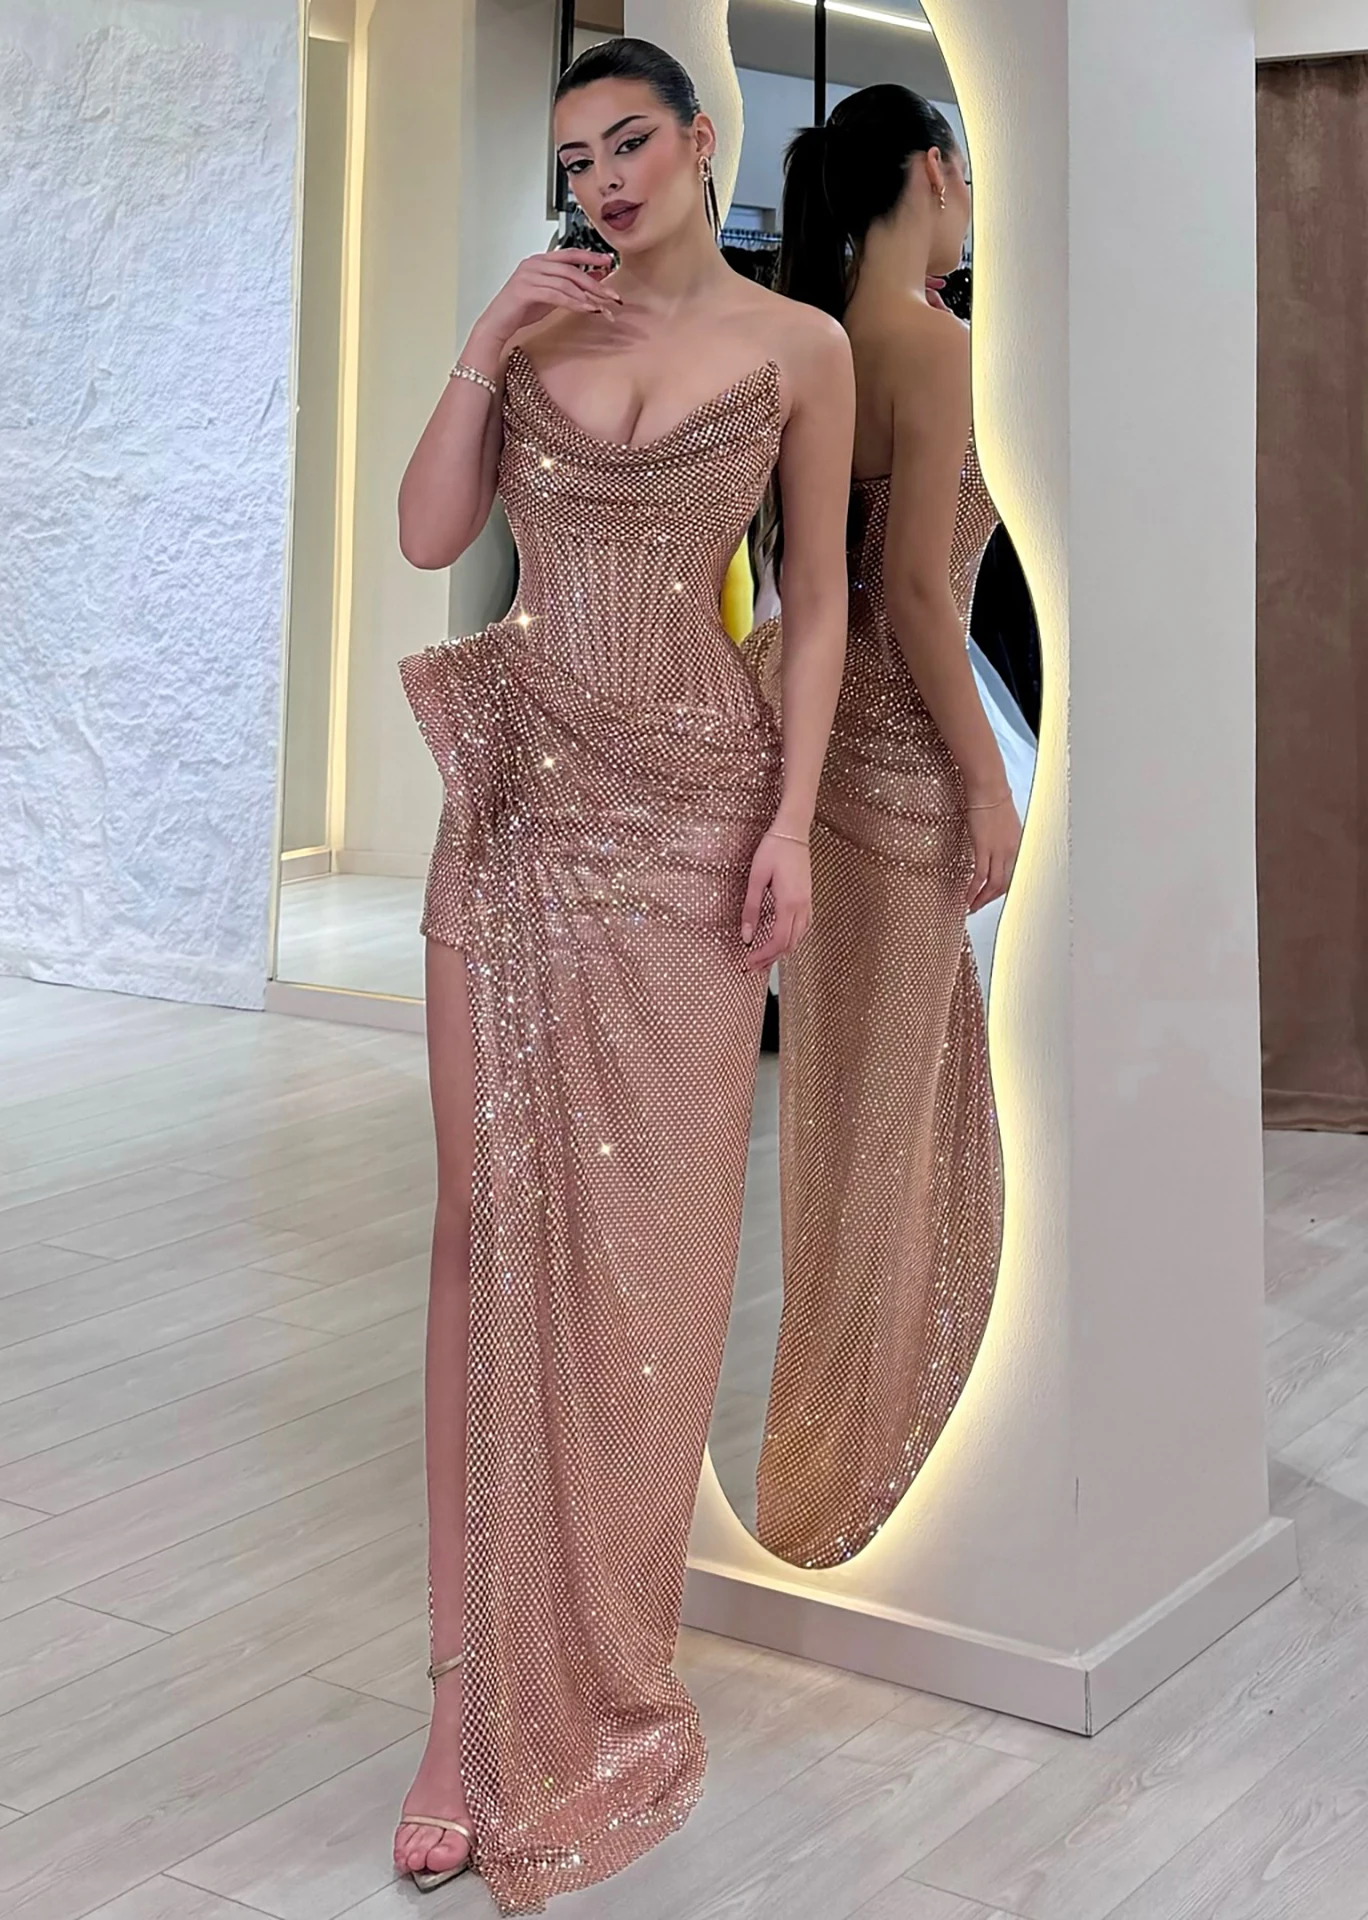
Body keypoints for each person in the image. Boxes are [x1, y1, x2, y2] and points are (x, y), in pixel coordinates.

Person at [391, 37, 854, 1912]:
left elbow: (815, 599)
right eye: (576, 155)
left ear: (702, 138)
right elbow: (430, 537)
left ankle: (592, 1667)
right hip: (521, 813)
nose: (604, 178)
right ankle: (459, 1707)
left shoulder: (799, 347)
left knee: (652, 1251)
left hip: (696, 816)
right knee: (479, 1221)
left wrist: (793, 821)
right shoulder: (536, 336)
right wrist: (486, 335)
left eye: (632, 140)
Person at [746, 85, 1022, 1569]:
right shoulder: (937, 344)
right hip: (907, 759)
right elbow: (916, 588)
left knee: (846, 1121)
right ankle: (871, 1489)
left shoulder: (818, 342)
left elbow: (818, 583)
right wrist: (986, 780)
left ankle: (838, 1472)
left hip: (819, 750)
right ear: (934, 170)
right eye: (965, 172)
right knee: (906, 1127)